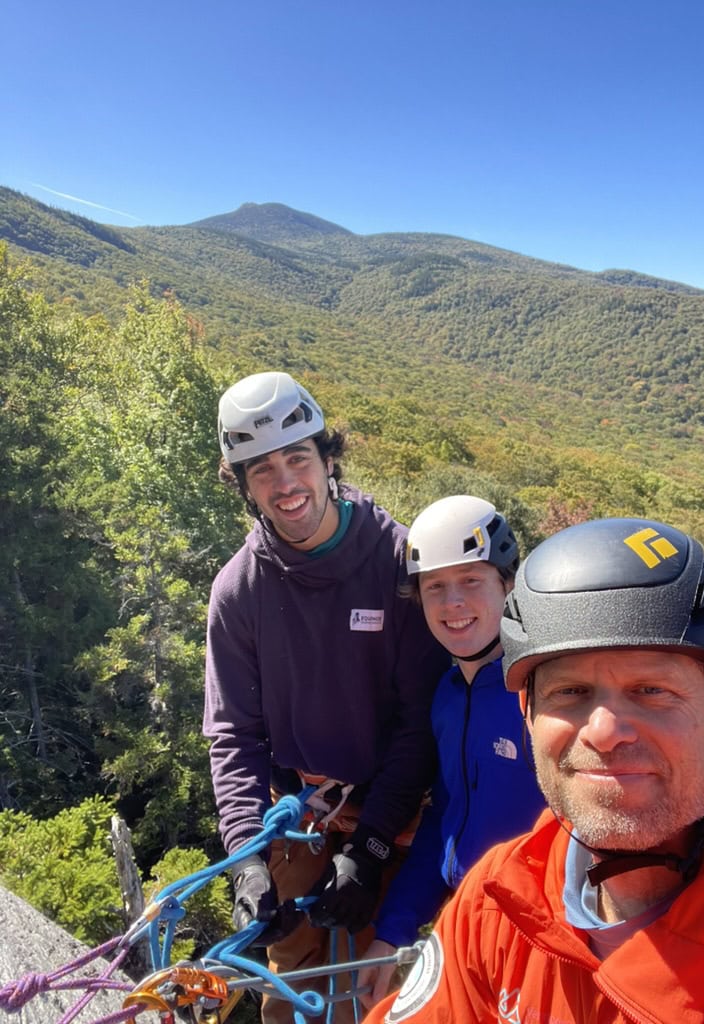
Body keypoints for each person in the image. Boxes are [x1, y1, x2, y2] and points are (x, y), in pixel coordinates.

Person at [364, 516, 704, 1024]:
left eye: (652, 690)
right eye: (570, 692)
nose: (603, 730)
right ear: (527, 717)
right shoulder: (498, 902)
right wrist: (393, 921)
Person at [202, 371, 450, 1024]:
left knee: (378, 1000)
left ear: (327, 458)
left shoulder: (397, 564)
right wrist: (248, 864)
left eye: (297, 458)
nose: (285, 485)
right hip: (299, 820)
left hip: (393, 820)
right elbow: (235, 736)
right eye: (261, 471)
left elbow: (418, 722)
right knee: (287, 1002)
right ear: (243, 485)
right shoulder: (240, 592)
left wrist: (368, 851)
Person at [357, 495, 546, 1008]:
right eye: (435, 587)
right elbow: (445, 821)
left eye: (471, 581)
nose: (452, 603)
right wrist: (390, 932)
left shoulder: (544, 698)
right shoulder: (447, 696)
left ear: (507, 585)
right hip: (468, 926)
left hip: (542, 942)